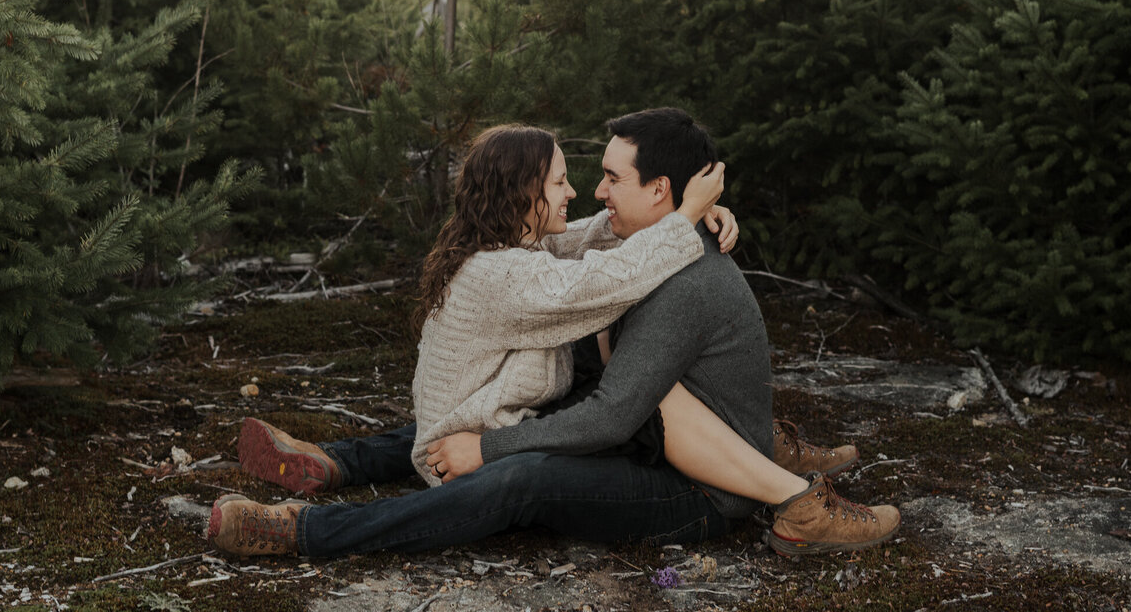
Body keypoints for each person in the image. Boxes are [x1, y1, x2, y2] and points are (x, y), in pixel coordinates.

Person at [208, 109, 899, 558]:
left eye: (603, 178)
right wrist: (687, 217)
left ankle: (310, 523)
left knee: (521, 464)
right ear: (525, 200)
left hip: (693, 492)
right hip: (652, 445)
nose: (587, 193)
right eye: (570, 181)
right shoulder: (523, 267)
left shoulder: (668, 274)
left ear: (658, 190)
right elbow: (604, 269)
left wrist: (492, 448)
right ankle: (338, 473)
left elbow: (614, 396)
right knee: (497, 418)